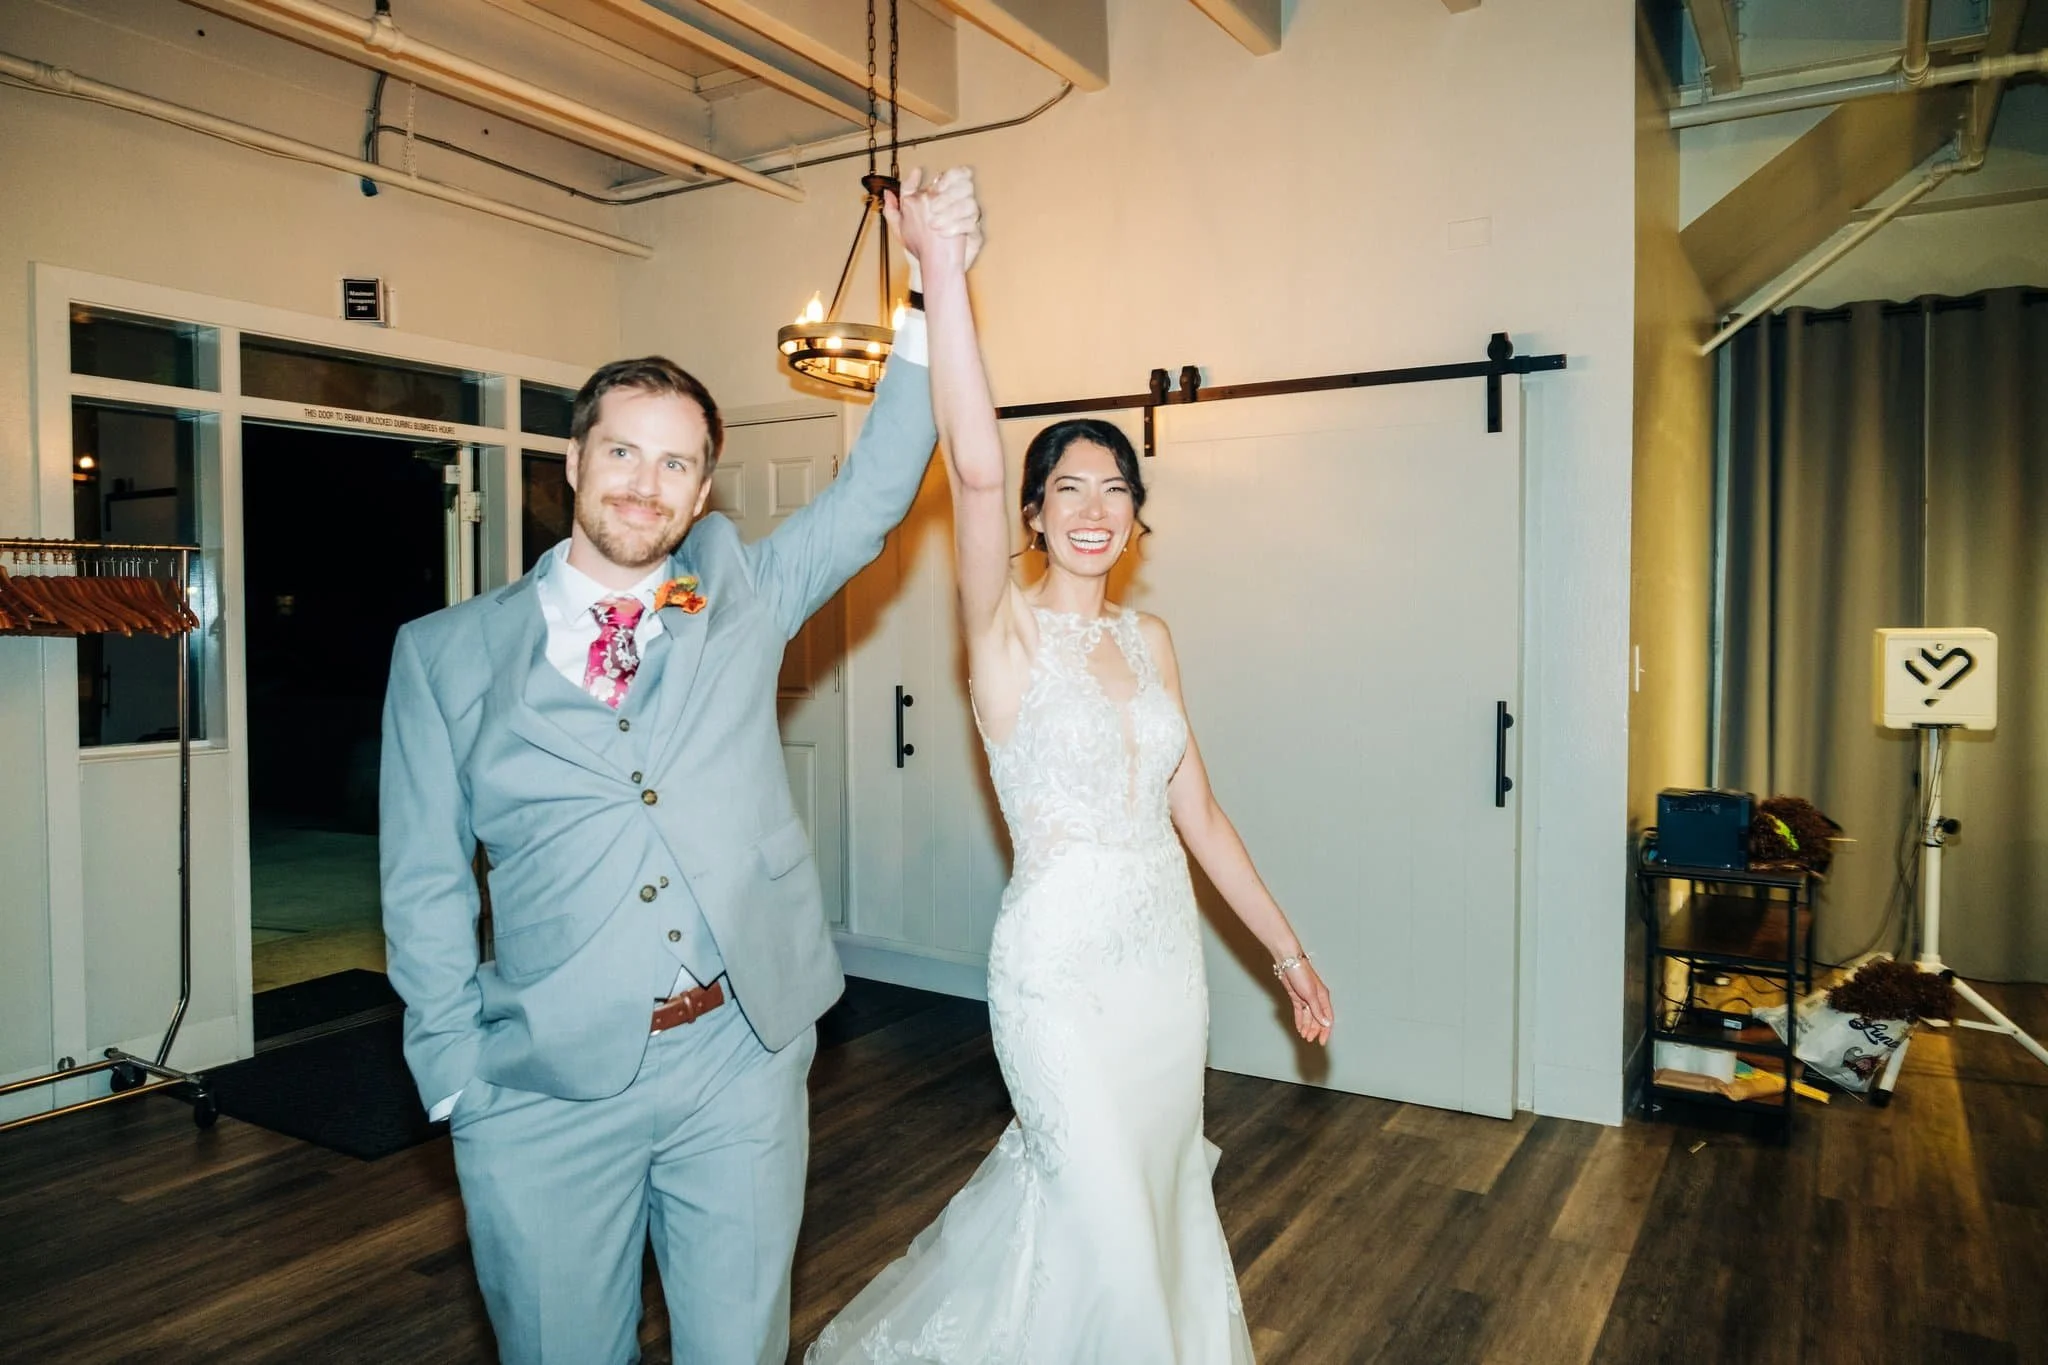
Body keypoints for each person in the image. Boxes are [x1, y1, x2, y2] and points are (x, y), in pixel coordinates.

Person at [378, 169, 984, 1365]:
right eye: (621, 451)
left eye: (673, 465)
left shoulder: (737, 596)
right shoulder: (443, 655)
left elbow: (875, 489)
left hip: (739, 1062)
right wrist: (456, 1078)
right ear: (572, 460)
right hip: (543, 1087)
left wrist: (930, 283)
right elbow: (423, 883)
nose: (642, 485)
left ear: (702, 489)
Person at [806, 182, 1335, 1364]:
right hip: (1055, 976)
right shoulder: (1001, 637)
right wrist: (943, 274)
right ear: (1035, 516)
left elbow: (1200, 815)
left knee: (1147, 1205)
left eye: (1115, 488)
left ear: (1136, 516)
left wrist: (1286, 953)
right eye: (1067, 489)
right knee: (1097, 1214)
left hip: (1162, 973)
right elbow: (970, 469)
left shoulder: (1150, 643)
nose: (1093, 508)